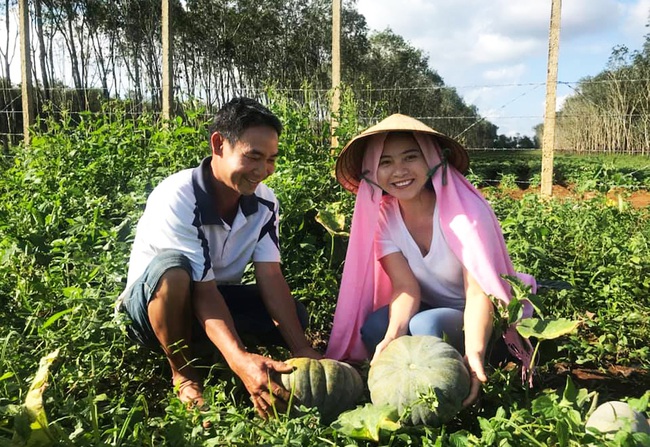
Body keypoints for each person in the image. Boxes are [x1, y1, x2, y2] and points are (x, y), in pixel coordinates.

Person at [116, 97, 321, 420]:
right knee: (174, 271)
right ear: (218, 144)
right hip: (153, 306)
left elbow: (270, 275)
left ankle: (208, 346)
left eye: (271, 159)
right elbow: (202, 289)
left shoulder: (266, 203)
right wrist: (239, 359)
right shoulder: (178, 196)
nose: (262, 171)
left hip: (212, 295)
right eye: (253, 156)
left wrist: (301, 348)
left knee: (295, 314)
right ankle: (184, 374)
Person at [325, 114, 536, 406]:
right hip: (432, 306)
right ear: (372, 171)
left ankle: (485, 358)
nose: (398, 171)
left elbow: (478, 294)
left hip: (479, 312)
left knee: (426, 326)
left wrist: (474, 351)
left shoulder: (465, 214)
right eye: (385, 162)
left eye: (410, 157)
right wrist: (393, 335)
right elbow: (405, 287)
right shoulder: (384, 218)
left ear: (431, 159)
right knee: (375, 329)